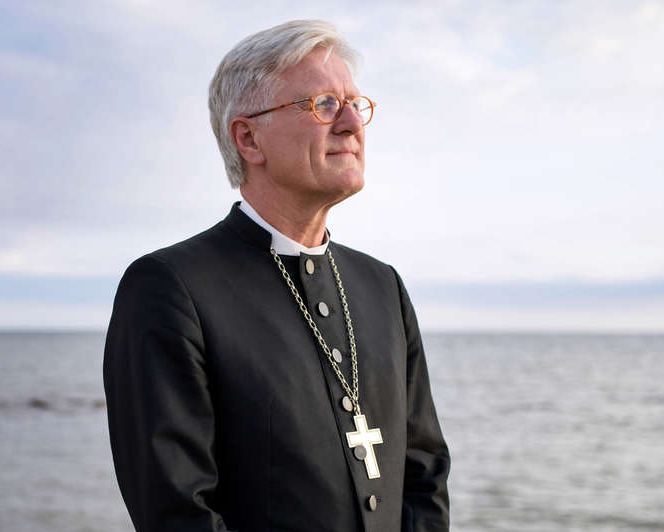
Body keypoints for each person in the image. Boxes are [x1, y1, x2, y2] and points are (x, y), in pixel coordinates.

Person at [104, 20, 450, 532]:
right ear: (248, 138)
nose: (353, 122)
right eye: (324, 104)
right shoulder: (169, 288)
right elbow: (177, 512)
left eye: (356, 104)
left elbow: (424, 475)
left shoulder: (383, 287)